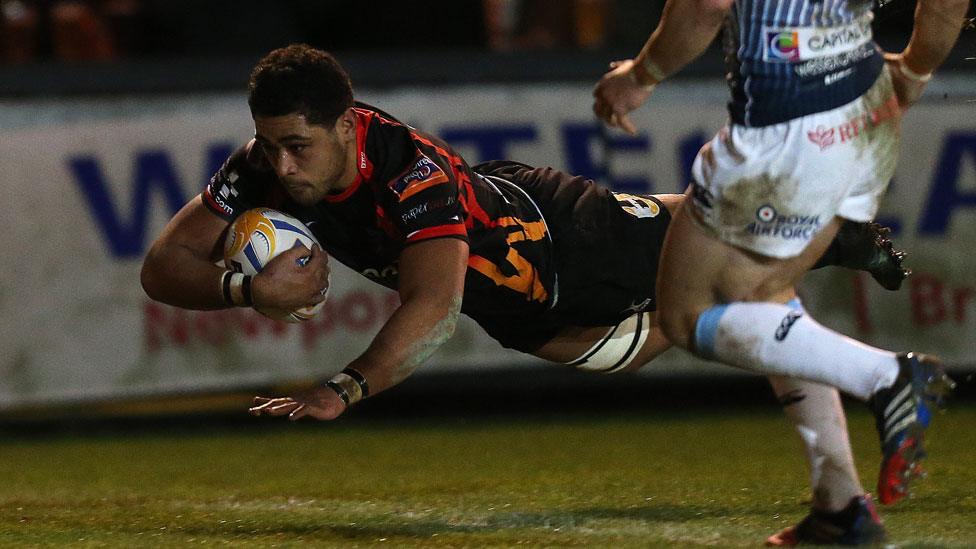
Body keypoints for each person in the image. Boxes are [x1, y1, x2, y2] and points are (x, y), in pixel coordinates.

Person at [142, 45, 907, 547]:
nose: (281, 164)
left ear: (346, 126)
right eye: (268, 143)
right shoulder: (262, 165)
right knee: (641, 343)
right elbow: (164, 265)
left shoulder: (411, 171)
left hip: (564, 239)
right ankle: (799, 253)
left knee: (717, 297)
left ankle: (828, 257)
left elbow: (434, 306)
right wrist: (244, 285)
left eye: (297, 145)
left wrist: (344, 386)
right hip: (516, 301)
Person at [592, 0, 969, 545]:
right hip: (868, 108)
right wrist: (914, 70)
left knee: (690, 313)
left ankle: (888, 378)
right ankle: (841, 509)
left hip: (791, 129)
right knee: (765, 298)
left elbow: (706, 6)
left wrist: (640, 75)